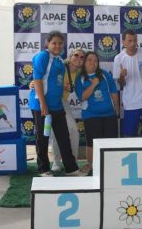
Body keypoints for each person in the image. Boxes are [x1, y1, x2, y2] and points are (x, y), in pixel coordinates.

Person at [29, 30, 87, 177]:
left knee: (63, 137)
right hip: (41, 106)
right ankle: (44, 169)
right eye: (54, 43)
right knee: (42, 138)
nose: (57, 46)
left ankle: (71, 168)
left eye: (60, 43)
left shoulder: (60, 61)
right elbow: (37, 80)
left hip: (57, 106)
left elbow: (56, 82)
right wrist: (43, 104)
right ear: (47, 43)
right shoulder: (43, 56)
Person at [75, 51, 119, 171]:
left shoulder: (104, 74)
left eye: (95, 60)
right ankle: (91, 164)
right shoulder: (81, 78)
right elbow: (82, 97)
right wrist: (93, 85)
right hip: (91, 115)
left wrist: (117, 107)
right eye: (89, 60)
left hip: (109, 114)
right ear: (84, 62)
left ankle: (111, 165)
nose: (92, 63)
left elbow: (113, 91)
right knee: (92, 141)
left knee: (111, 142)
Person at [113, 29, 142, 138]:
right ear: (123, 42)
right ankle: (131, 155)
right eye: (129, 41)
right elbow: (121, 84)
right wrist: (122, 76)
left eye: (135, 40)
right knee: (129, 134)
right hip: (131, 102)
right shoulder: (119, 58)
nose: (133, 43)